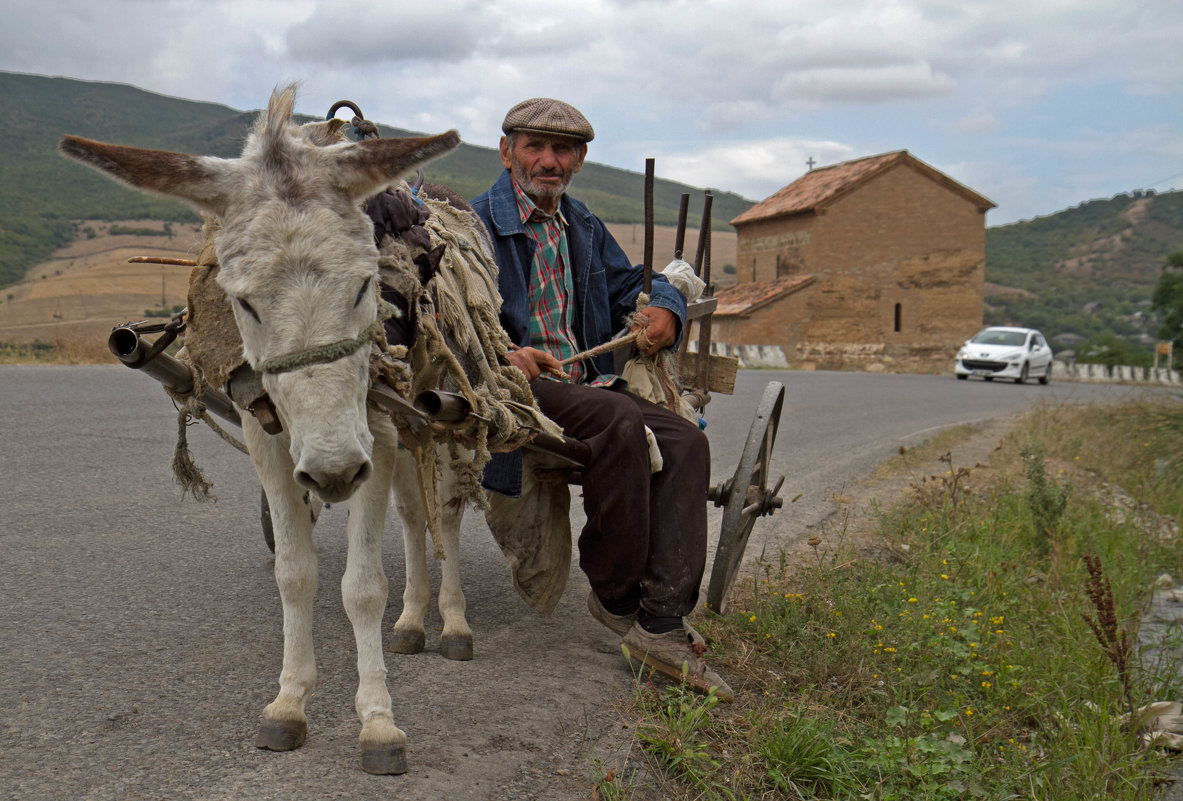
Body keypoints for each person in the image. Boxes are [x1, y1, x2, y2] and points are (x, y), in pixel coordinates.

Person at [471, 98, 732, 700]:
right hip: (512, 384)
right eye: (534, 146)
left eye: (562, 150)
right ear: (506, 150)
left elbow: (634, 284)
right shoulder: (475, 222)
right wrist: (504, 353)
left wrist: (665, 309)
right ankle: (617, 597)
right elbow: (447, 309)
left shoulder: (580, 225)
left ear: (581, 160)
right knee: (616, 420)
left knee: (686, 441)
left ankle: (661, 617)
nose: (548, 160)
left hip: (580, 384)